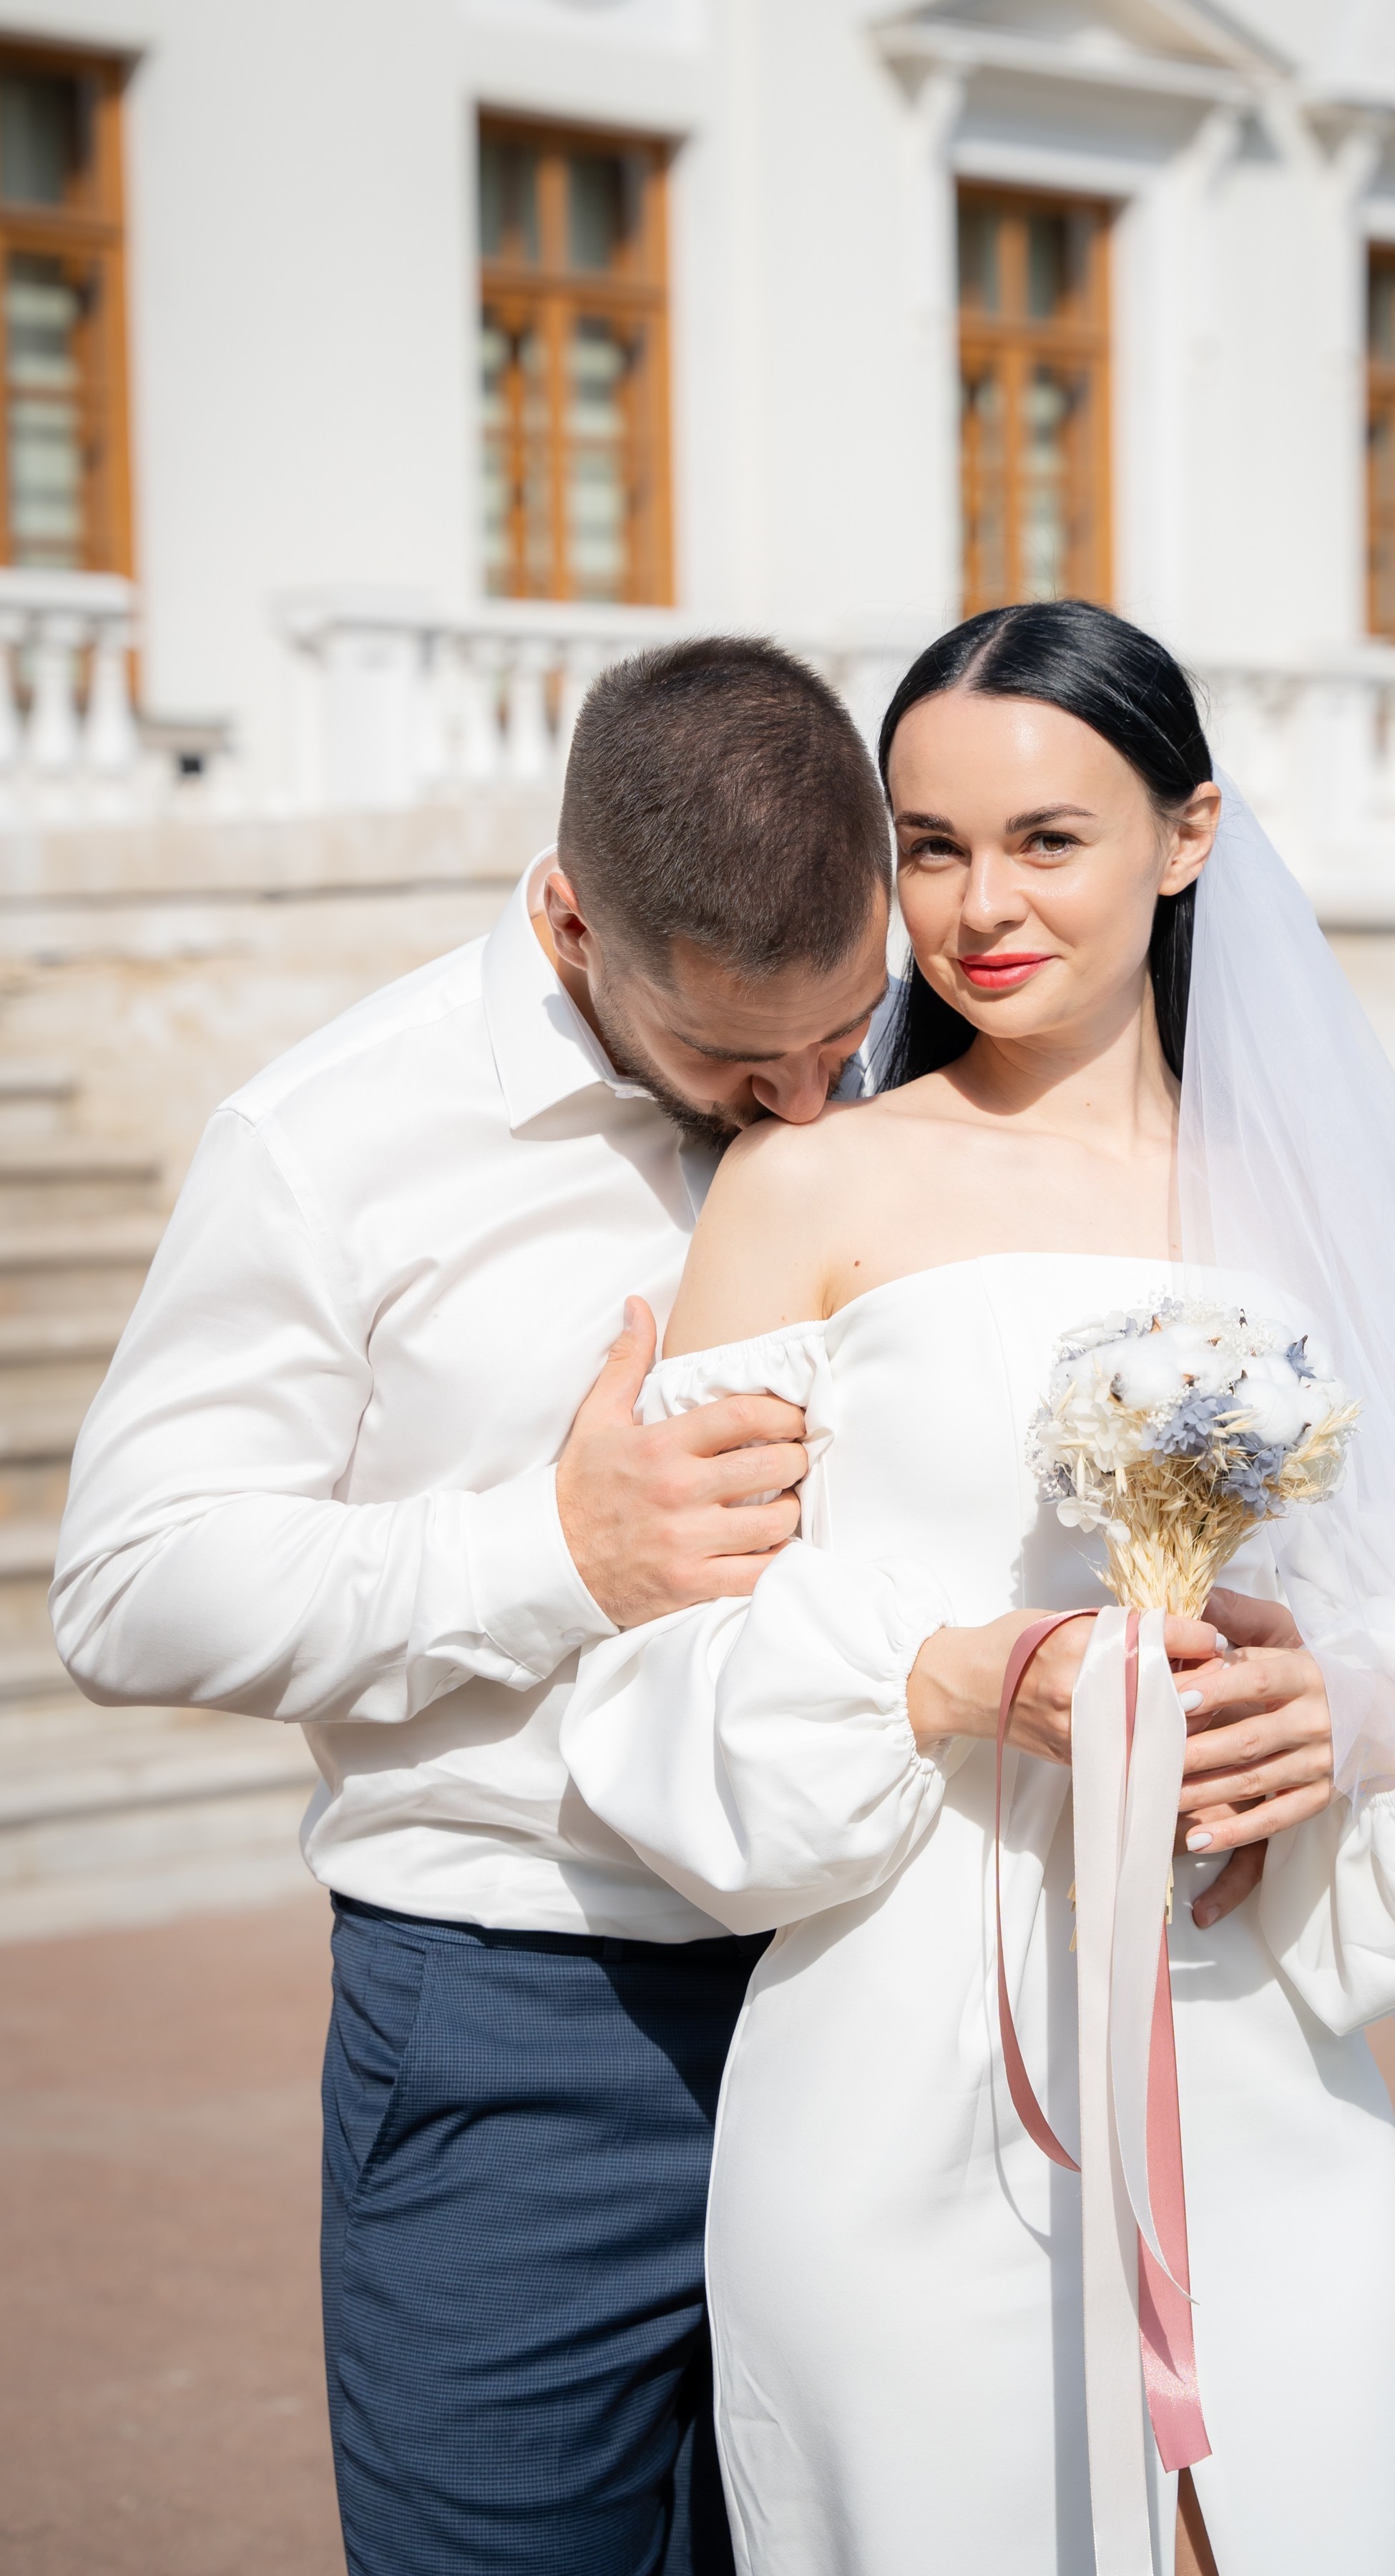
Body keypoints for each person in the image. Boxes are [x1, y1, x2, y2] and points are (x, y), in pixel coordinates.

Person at [562, 601, 1395, 2575]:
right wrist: (947, 1677)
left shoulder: (1299, 1199)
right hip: (902, 2068)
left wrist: (1350, 1713)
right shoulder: (806, 1187)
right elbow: (671, 1665)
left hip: (1251, 2050)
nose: (979, 906)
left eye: (1046, 839)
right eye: (931, 847)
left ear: (1187, 835)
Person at [51, 638, 906, 2576]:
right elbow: (127, 1582)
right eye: (733, 1057)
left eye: (843, 1028)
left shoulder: (913, 1074)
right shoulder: (327, 1141)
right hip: (528, 2027)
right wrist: (553, 1554)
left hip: (879, 1994)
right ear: (571, 918)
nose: (803, 1103)